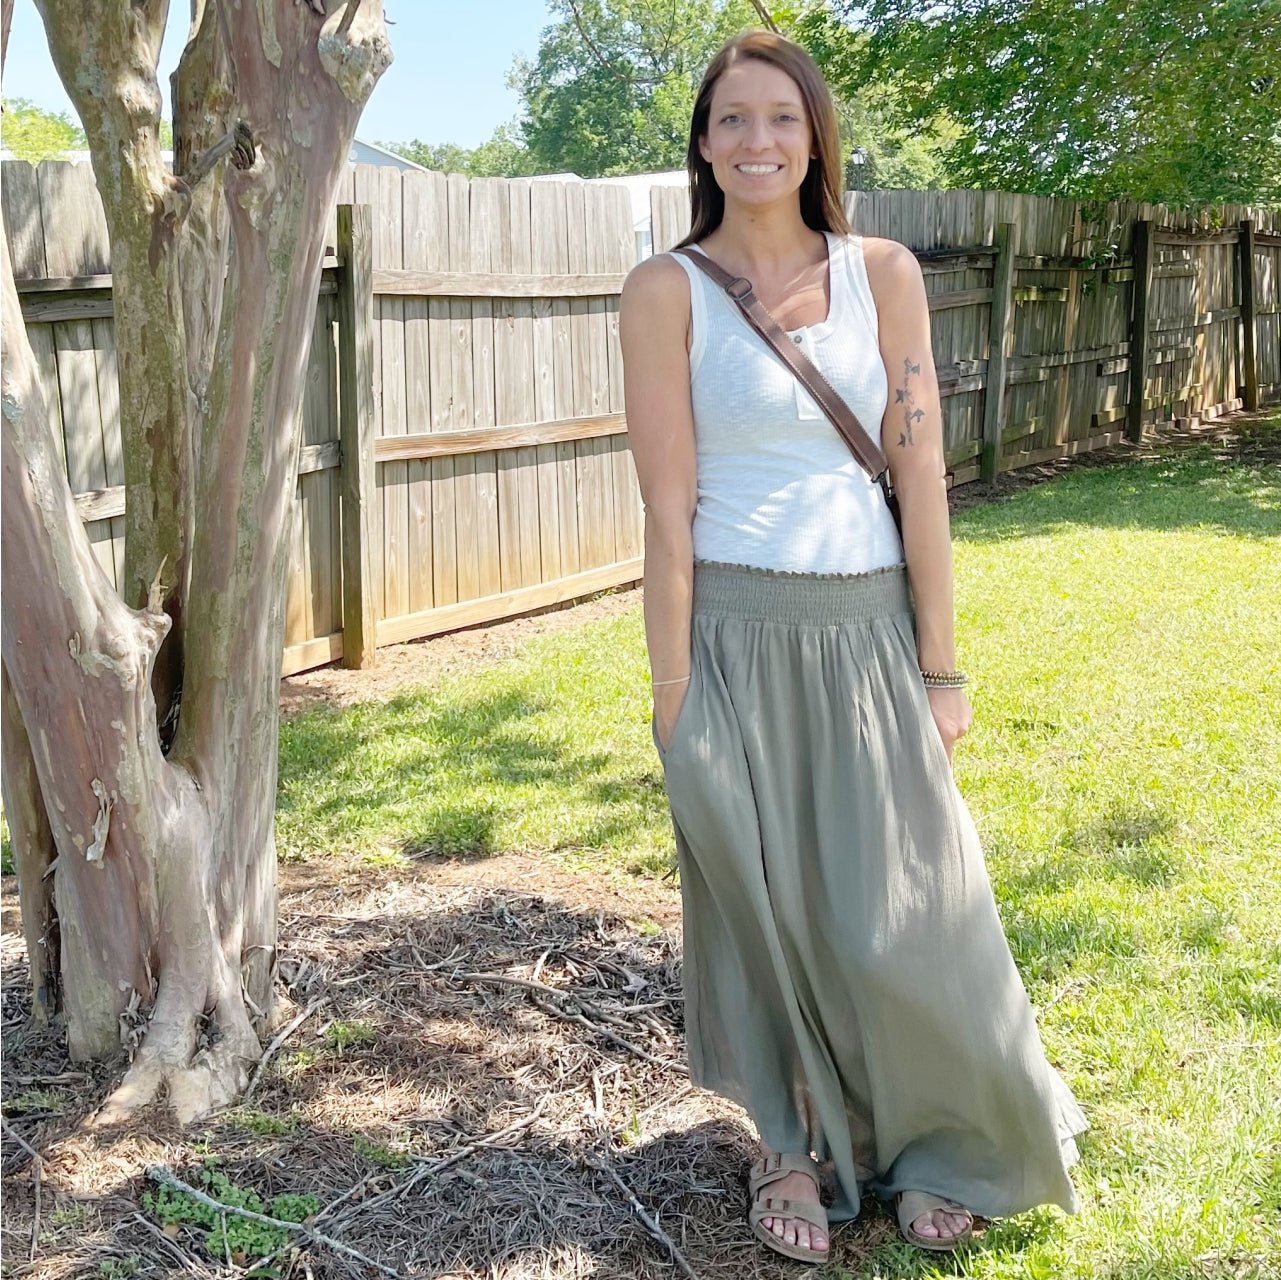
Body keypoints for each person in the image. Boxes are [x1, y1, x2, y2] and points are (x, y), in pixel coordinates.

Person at [618, 29, 1087, 1267]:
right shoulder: (663, 290)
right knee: (765, 908)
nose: (757, 140)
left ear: (818, 135)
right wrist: (673, 694)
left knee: (908, 910)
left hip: (869, 629)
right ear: (702, 142)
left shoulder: (883, 272)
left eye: (782, 116)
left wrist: (943, 666)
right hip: (731, 631)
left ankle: (940, 1142)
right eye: (732, 118)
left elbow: (920, 476)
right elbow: (667, 509)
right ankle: (790, 1145)